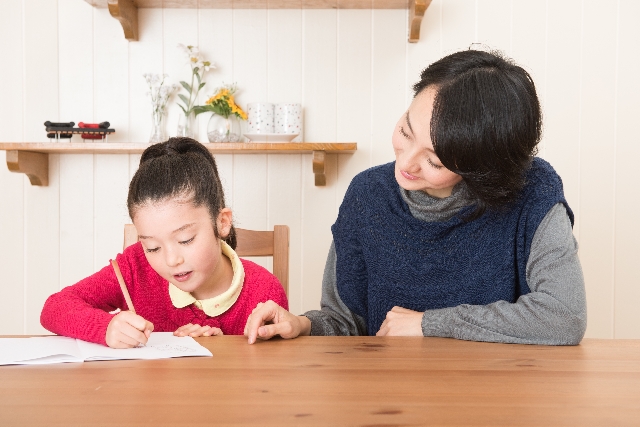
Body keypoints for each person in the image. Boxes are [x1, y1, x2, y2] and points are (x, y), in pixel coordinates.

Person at [244, 49, 587, 345]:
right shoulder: (367, 195)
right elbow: (345, 322)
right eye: (406, 131)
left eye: (434, 160)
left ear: (483, 168)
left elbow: (564, 315)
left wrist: (428, 323)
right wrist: (301, 324)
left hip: (495, 396)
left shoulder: (532, 190)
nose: (406, 163)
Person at [41, 137, 288, 348]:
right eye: (153, 248)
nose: (171, 260)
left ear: (222, 222)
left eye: (185, 239)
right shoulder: (135, 267)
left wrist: (224, 352)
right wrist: (105, 327)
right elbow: (54, 308)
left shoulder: (264, 293)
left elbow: (268, 379)